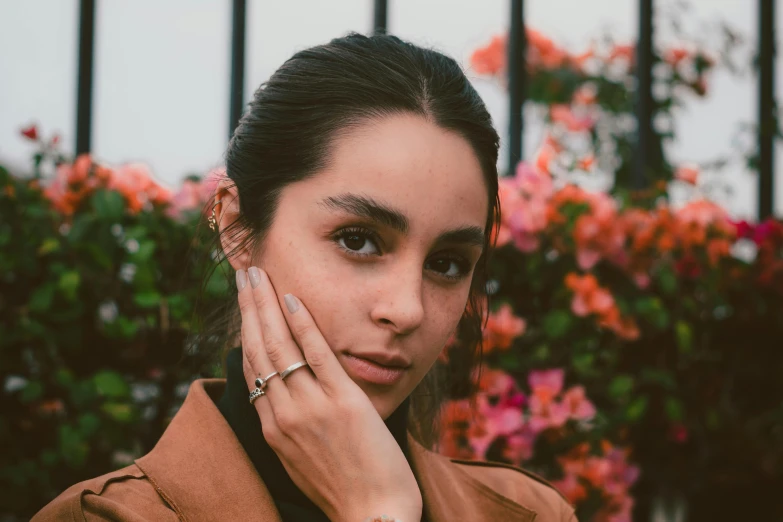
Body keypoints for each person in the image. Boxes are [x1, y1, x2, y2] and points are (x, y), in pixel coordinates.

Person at [33, 33, 576, 522]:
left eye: (446, 263)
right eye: (358, 240)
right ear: (239, 228)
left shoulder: (531, 514)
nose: (407, 309)